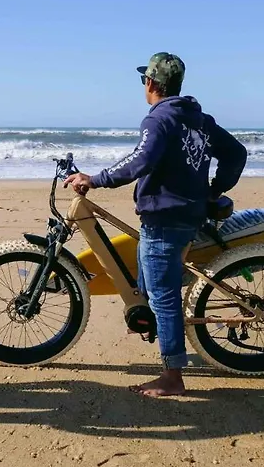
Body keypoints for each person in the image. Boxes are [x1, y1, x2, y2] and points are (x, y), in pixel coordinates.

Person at [65, 52, 246, 397]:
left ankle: (172, 376)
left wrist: (96, 179)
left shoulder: (158, 120)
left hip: (165, 219)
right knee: (147, 285)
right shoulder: (199, 120)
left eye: (143, 80)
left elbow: (141, 160)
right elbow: (236, 153)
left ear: (150, 82)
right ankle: (151, 324)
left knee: (163, 297)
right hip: (188, 214)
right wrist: (214, 189)